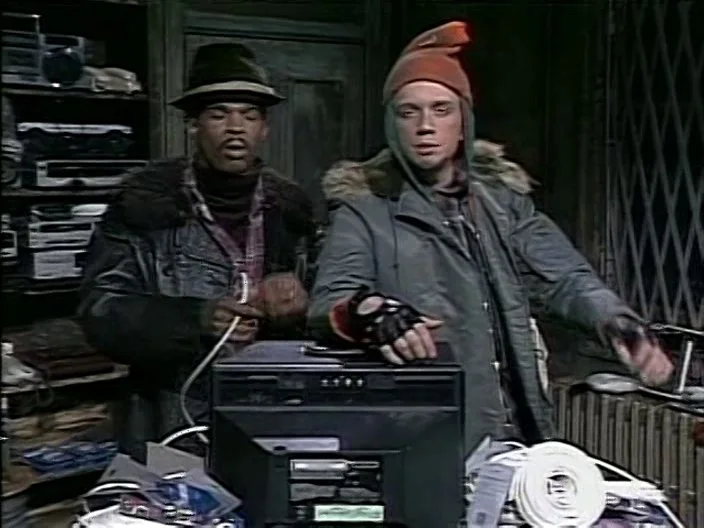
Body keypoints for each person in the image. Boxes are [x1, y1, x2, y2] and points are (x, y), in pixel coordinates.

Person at [307, 21, 673, 455]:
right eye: (409, 112)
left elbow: (566, 278)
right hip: (425, 433)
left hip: (517, 425)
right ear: (392, 125)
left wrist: (615, 321)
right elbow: (331, 300)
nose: (426, 126)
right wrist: (370, 313)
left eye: (441, 110)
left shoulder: (503, 205)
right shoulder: (364, 212)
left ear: (463, 122)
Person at [79, 43, 315, 461]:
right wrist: (194, 319)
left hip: (271, 414)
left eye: (250, 115)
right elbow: (101, 311)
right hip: (172, 418)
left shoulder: (292, 212)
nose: (236, 127)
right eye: (219, 114)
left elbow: (331, 302)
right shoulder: (142, 208)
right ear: (193, 125)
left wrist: (301, 300)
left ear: (265, 128)